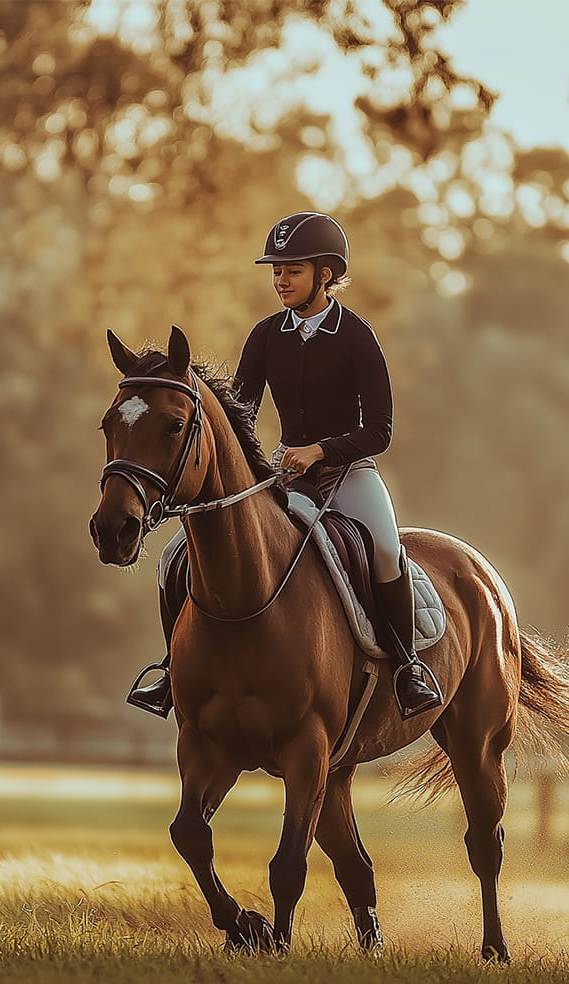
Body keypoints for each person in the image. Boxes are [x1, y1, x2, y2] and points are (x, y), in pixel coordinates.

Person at [127, 211, 444, 720]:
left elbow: (380, 430)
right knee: (174, 555)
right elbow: (241, 416)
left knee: (385, 548)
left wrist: (321, 450)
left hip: (349, 473)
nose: (280, 280)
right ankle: (171, 669)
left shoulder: (356, 336)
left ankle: (408, 669)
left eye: (292, 270)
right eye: (276, 271)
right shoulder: (266, 335)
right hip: (287, 477)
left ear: (325, 273)